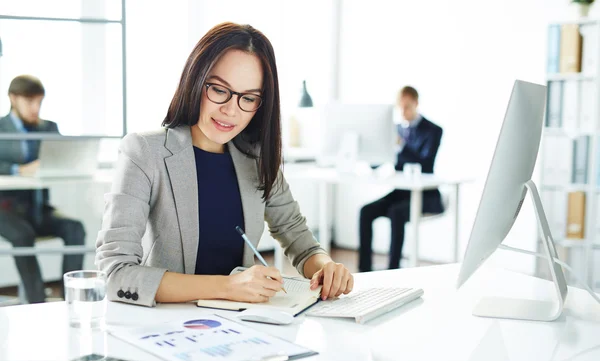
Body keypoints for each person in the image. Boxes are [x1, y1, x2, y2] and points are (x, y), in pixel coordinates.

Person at [96, 22, 354, 307]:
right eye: (220, 90)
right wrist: (227, 286)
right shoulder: (144, 151)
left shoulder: (257, 159)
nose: (231, 110)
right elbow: (116, 274)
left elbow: (300, 241)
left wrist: (326, 267)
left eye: (249, 98)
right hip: (164, 326)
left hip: (239, 325)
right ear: (195, 80)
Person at [0, 75, 86, 303]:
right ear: (13, 98)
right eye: (30, 102)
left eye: (39, 102)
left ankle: (71, 299)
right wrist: (20, 170)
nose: (36, 108)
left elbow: (64, 158)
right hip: (5, 210)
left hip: (38, 208)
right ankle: (37, 301)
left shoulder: (49, 128)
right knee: (22, 235)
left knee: (75, 229)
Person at [358, 86, 444, 272]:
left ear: (416, 103)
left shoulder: (433, 130)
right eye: (400, 107)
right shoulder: (395, 130)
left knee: (396, 213)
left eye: (407, 107)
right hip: (400, 192)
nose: (403, 112)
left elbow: (425, 162)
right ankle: (363, 271)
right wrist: (370, 147)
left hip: (426, 195)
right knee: (366, 211)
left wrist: (401, 145)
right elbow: (378, 163)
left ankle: (393, 269)